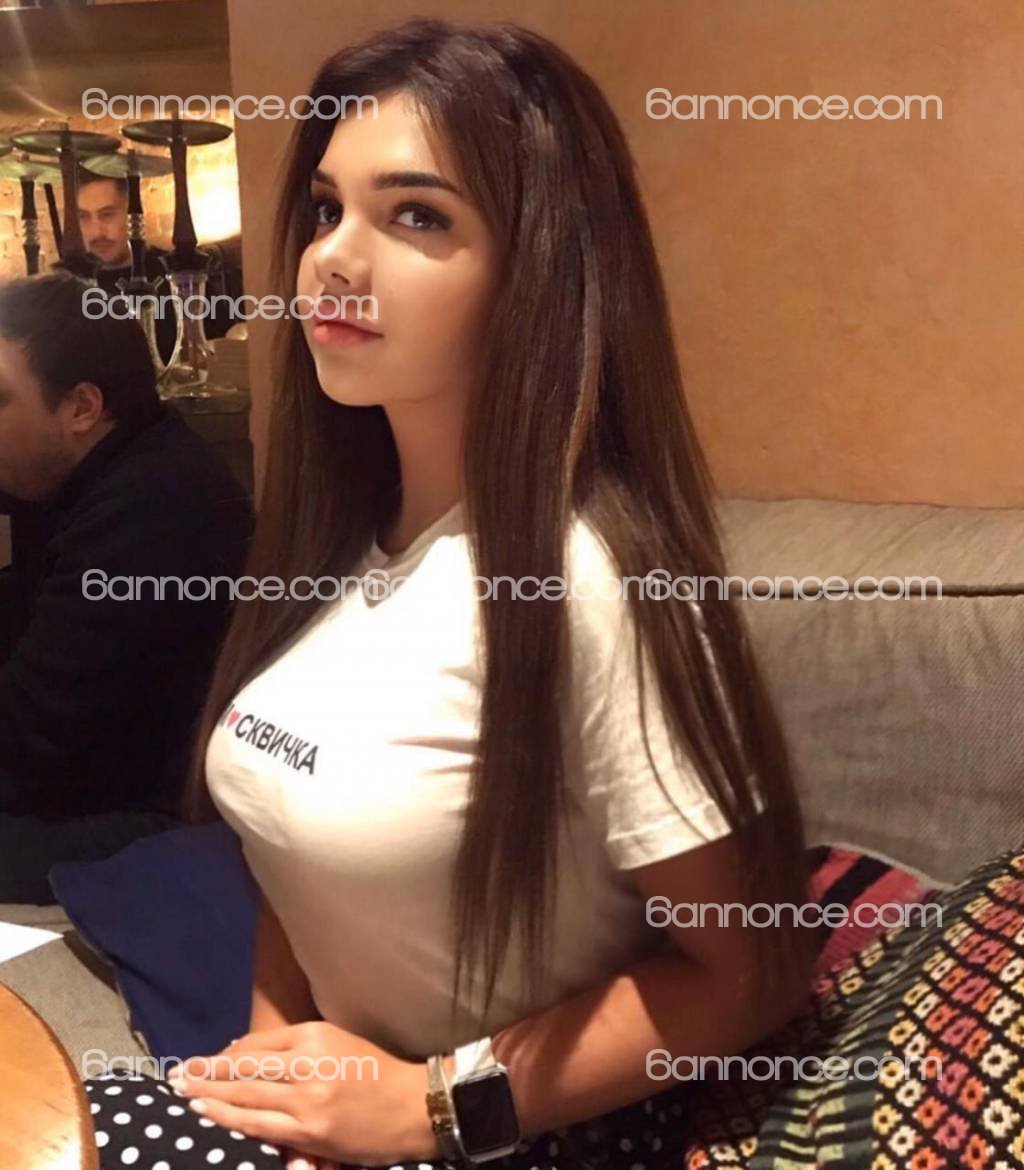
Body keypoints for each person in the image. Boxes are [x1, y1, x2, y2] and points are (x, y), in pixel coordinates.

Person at [83, 19, 812, 1170]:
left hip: (520, 1134)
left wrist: (437, 1106)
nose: (332, 258)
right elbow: (291, 860)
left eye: (416, 216)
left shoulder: (587, 584)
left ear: (539, 271)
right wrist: (273, 1056)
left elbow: (752, 969)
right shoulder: (339, 538)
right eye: (326, 208)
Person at [0, 271, 253, 902]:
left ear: (82, 408)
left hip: (164, 823)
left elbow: (32, 742)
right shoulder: (74, 471)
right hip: (86, 779)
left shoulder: (154, 508)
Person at [77, 171, 235, 363]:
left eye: (107, 215)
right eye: (84, 217)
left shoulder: (177, 272)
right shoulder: (72, 285)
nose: (96, 231)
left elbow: (224, 341)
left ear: (132, 214)